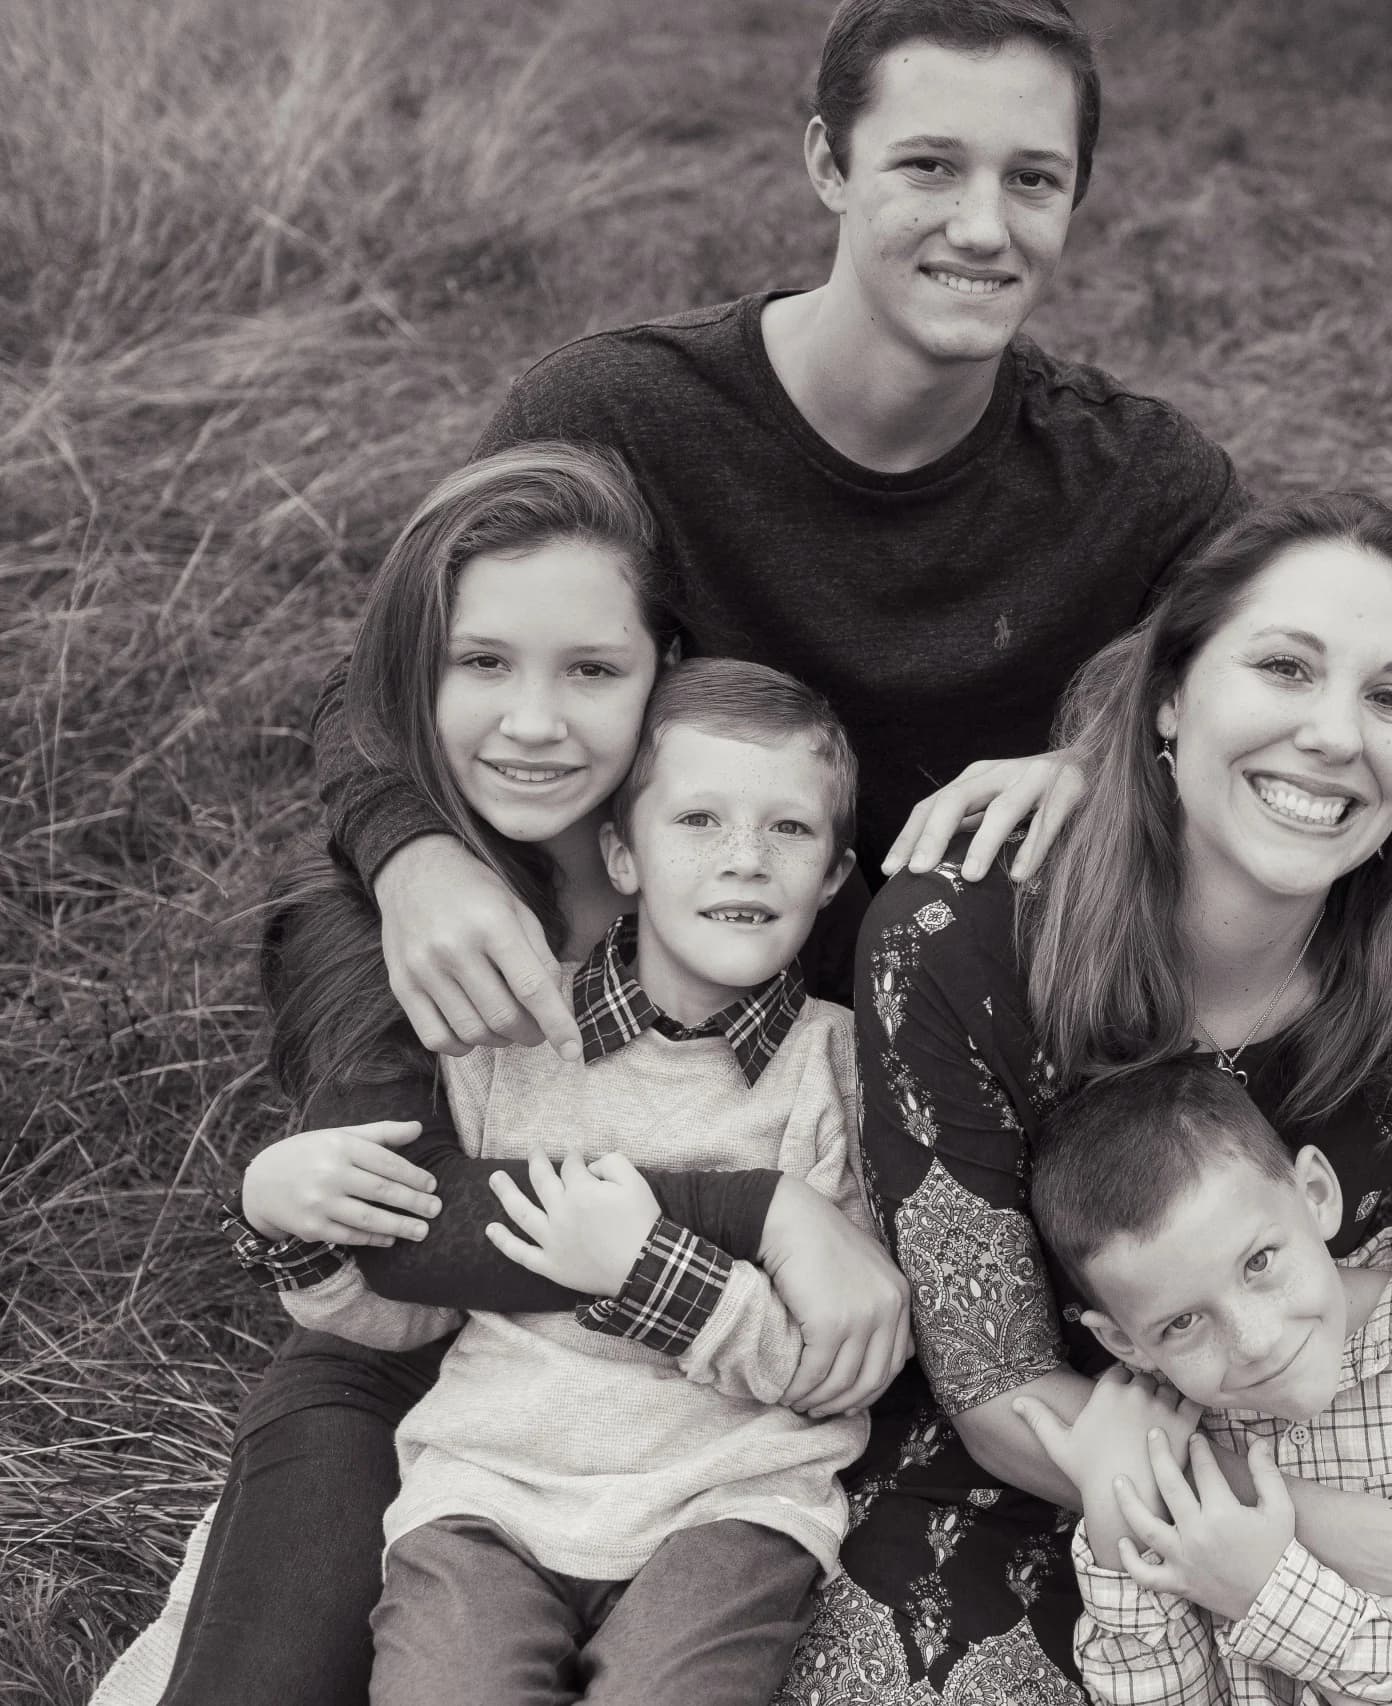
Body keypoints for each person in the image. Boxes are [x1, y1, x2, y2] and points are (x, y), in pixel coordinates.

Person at [93, 449, 909, 1706]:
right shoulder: (387, 936)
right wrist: (758, 1214)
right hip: (444, 1402)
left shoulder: (758, 876)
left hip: (702, 1457)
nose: (535, 721)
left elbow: (845, 1322)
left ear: (660, 674)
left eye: (592, 669)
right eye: (482, 663)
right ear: (419, 678)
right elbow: (407, 1244)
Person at [775, 493, 1392, 1703]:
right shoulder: (958, 939)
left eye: (1390, 697)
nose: (1333, 735)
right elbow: (995, 1378)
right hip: (1050, 1474)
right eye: (1283, 667)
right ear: (1169, 695)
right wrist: (1360, 1537)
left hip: (1371, 1438)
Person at [331, 0, 1247, 1070]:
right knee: (361, 912)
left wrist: (1111, 759)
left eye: (1033, 179)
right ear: (828, 163)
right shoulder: (618, 415)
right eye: (929, 167)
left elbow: (1300, 679)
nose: (985, 227)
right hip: (680, 923)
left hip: (986, 981)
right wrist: (416, 859)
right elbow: (383, 680)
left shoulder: (1143, 479)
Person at [253, 658, 873, 1704]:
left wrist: (647, 1271)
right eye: (699, 821)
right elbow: (416, 1306)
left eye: (789, 830)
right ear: (622, 855)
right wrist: (298, 1228)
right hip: (489, 1486)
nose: (744, 860)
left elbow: (835, 1358)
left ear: (834, 871)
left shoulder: (841, 1068)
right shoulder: (510, 1037)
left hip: (729, 1499)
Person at [1018, 1058, 1392, 1704]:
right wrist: (1111, 1509)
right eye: (1184, 1322)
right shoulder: (1174, 1438)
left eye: (1260, 1262)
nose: (1256, 1341)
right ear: (1126, 1343)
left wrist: (1267, 1593)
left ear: (1317, 1196)